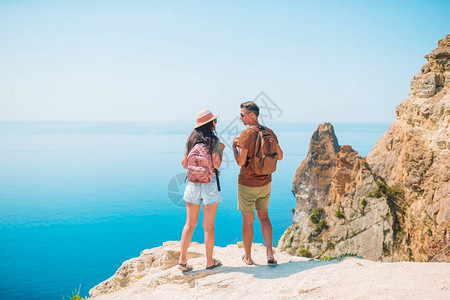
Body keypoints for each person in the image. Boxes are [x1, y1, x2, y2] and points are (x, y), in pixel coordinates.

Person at [232, 101, 283, 266]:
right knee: (264, 217)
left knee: (248, 221)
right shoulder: (269, 132)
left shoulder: (246, 134)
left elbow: (240, 162)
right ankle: (270, 254)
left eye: (242, 115)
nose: (240, 118)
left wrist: (234, 146)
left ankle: (248, 257)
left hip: (247, 184)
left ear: (252, 114)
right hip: (266, 182)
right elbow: (280, 156)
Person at [178, 109, 225, 271]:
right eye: (215, 121)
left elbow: (184, 164)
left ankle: (182, 261)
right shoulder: (214, 141)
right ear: (210, 123)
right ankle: (209, 261)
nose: (216, 123)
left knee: (189, 224)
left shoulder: (191, 140)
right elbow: (217, 164)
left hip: (192, 184)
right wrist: (222, 150)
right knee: (208, 226)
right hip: (210, 184)